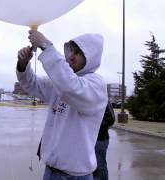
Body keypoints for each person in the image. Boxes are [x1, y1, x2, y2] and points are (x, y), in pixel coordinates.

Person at [16, 30, 108, 180]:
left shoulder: (96, 85)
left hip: (75, 176)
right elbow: (31, 84)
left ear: (90, 58)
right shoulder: (60, 81)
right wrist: (23, 64)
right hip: (51, 170)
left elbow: (70, 86)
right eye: (71, 51)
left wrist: (46, 46)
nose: (70, 57)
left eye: (78, 53)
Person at [93, 101, 115, 180]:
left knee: (99, 166)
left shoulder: (102, 98)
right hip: (90, 139)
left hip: (100, 139)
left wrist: (93, 126)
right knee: (92, 167)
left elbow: (110, 118)